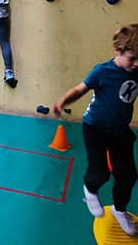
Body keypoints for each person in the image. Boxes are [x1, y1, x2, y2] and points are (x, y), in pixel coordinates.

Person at [53, 24, 138, 236]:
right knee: (99, 172)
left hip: (120, 129)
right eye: (132, 58)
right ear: (117, 51)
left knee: (128, 176)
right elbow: (81, 89)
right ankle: (89, 190)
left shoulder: (136, 69)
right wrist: (63, 100)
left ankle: (120, 209)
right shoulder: (103, 71)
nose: (137, 63)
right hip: (96, 128)